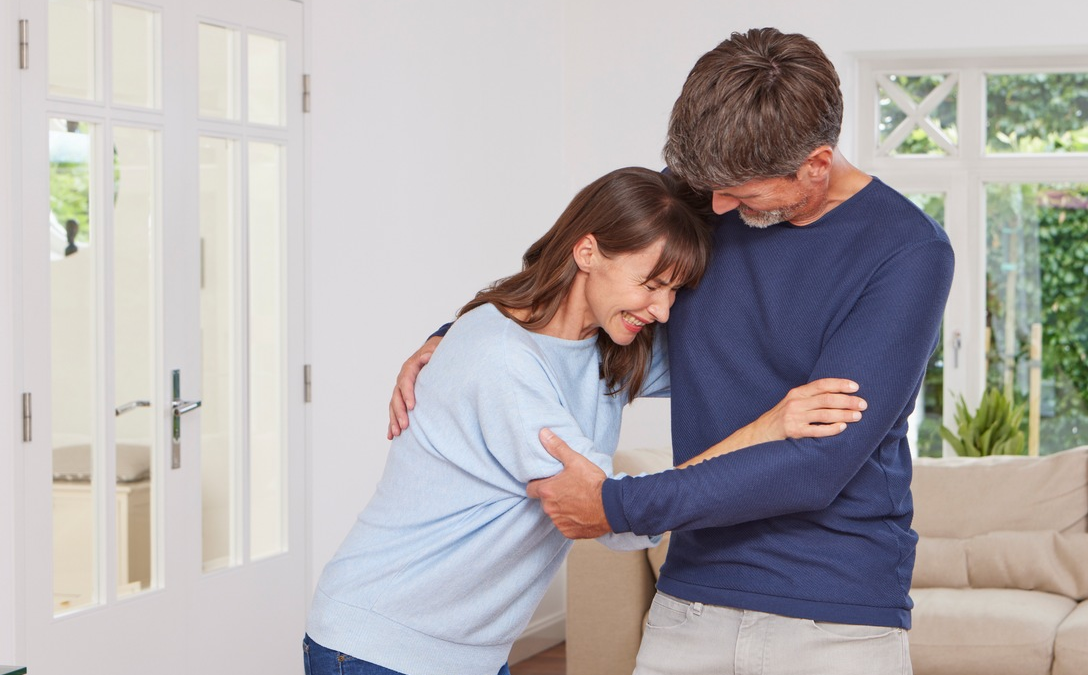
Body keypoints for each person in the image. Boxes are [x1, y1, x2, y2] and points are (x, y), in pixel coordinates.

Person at [390, 29, 954, 675]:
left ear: (816, 166)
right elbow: (584, 265)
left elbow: (815, 464)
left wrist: (616, 505)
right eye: (708, 187)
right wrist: (464, 333)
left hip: (836, 616)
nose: (713, 207)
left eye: (740, 195)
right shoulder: (710, 184)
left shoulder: (908, 252)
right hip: (690, 600)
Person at [308, 167, 867, 675]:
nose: (664, 311)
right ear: (588, 251)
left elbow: (737, 360)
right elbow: (614, 515)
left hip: (464, 651)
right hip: (379, 641)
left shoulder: (604, 347)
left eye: (675, 290)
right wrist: (769, 428)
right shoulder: (500, 361)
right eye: (651, 284)